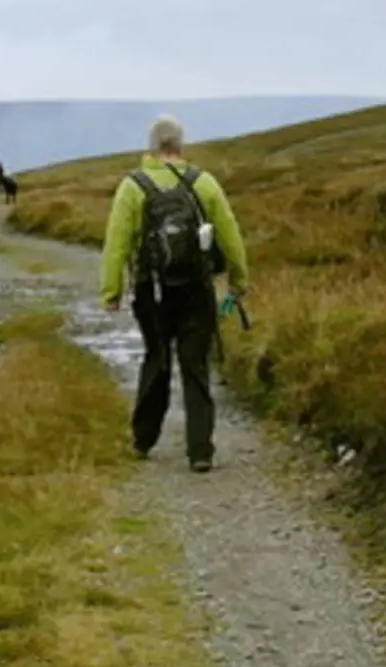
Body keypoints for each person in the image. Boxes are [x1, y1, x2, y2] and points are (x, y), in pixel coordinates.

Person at [99, 114, 250, 473]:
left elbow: (116, 243)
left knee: (157, 358)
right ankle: (200, 450)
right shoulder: (204, 183)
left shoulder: (132, 187)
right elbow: (230, 235)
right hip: (196, 289)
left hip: (151, 290)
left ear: (151, 147)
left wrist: (112, 290)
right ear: (180, 145)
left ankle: (143, 439)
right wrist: (239, 280)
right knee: (195, 365)